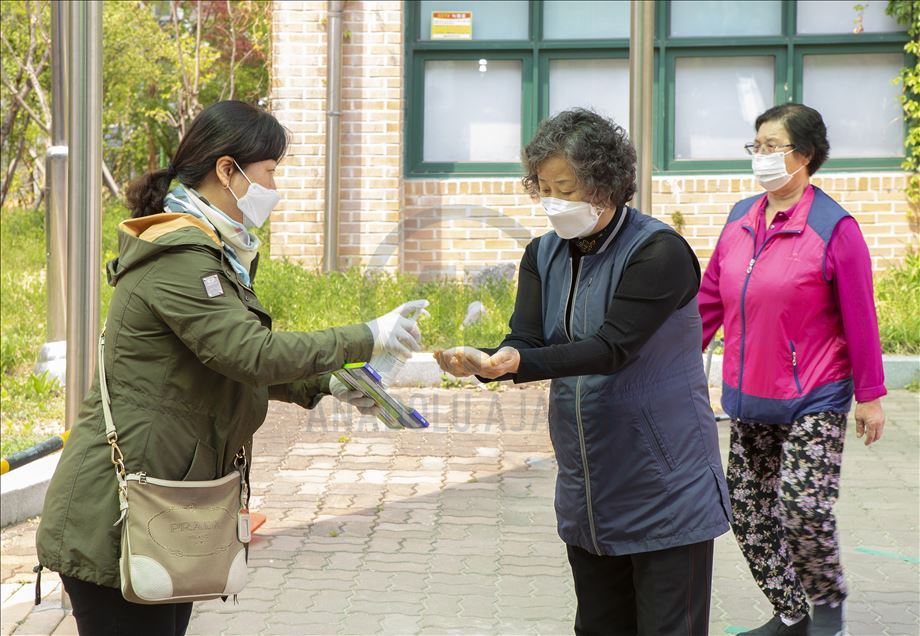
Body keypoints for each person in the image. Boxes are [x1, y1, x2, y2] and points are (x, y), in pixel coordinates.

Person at [35, 100, 427, 636]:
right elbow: (250, 353)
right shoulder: (180, 256)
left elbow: (225, 357)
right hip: (116, 515)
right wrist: (366, 335)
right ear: (228, 169)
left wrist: (328, 382)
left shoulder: (215, 251)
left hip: (169, 504)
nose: (274, 186)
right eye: (270, 172)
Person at [435, 108, 731, 636]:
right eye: (544, 186)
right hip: (590, 487)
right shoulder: (542, 254)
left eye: (566, 187)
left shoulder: (659, 252)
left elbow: (611, 348)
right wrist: (490, 361)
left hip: (665, 482)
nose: (553, 201)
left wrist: (521, 363)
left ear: (606, 184)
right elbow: (525, 339)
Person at [697, 103, 886, 636]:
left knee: (803, 507)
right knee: (750, 512)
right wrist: (672, 357)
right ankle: (792, 614)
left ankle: (827, 610)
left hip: (815, 395)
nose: (760, 156)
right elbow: (710, 299)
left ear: (803, 155)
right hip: (749, 395)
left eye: (771, 146)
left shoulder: (834, 228)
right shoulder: (740, 219)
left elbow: (861, 318)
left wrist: (869, 395)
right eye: (755, 145)